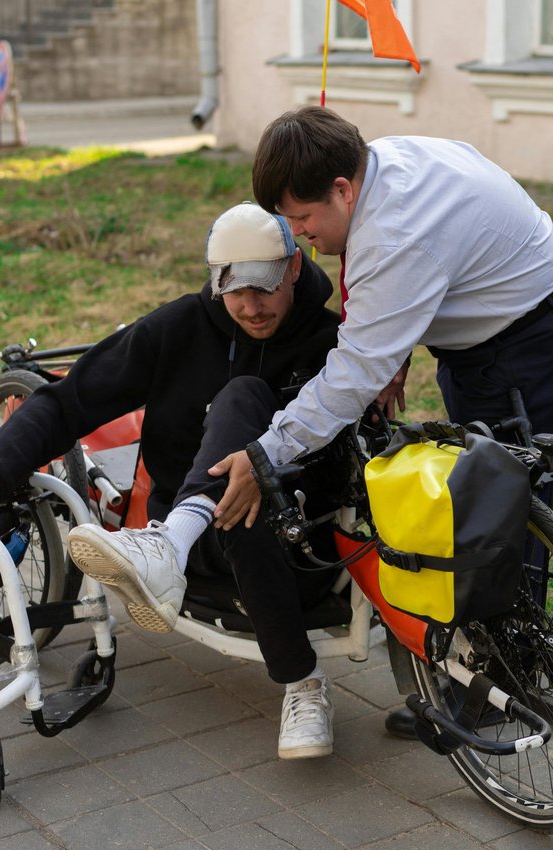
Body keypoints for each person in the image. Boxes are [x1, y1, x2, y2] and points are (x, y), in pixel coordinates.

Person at [207, 105, 553, 740]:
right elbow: (415, 274)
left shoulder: (395, 236)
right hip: (504, 321)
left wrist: (266, 454)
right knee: (513, 502)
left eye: (304, 218)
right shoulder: (383, 159)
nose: (301, 235)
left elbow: (350, 377)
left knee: (505, 516)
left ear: (342, 188)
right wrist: (397, 341)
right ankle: (499, 673)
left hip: (520, 352)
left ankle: (504, 688)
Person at [0, 201, 343, 760]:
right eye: (233, 290)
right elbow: (66, 404)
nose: (250, 306)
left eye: (264, 288)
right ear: (214, 282)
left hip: (296, 546)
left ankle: (302, 682)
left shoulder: (331, 340)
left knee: (244, 409)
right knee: (235, 425)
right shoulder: (181, 327)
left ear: (296, 270)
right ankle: (174, 549)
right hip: (201, 556)